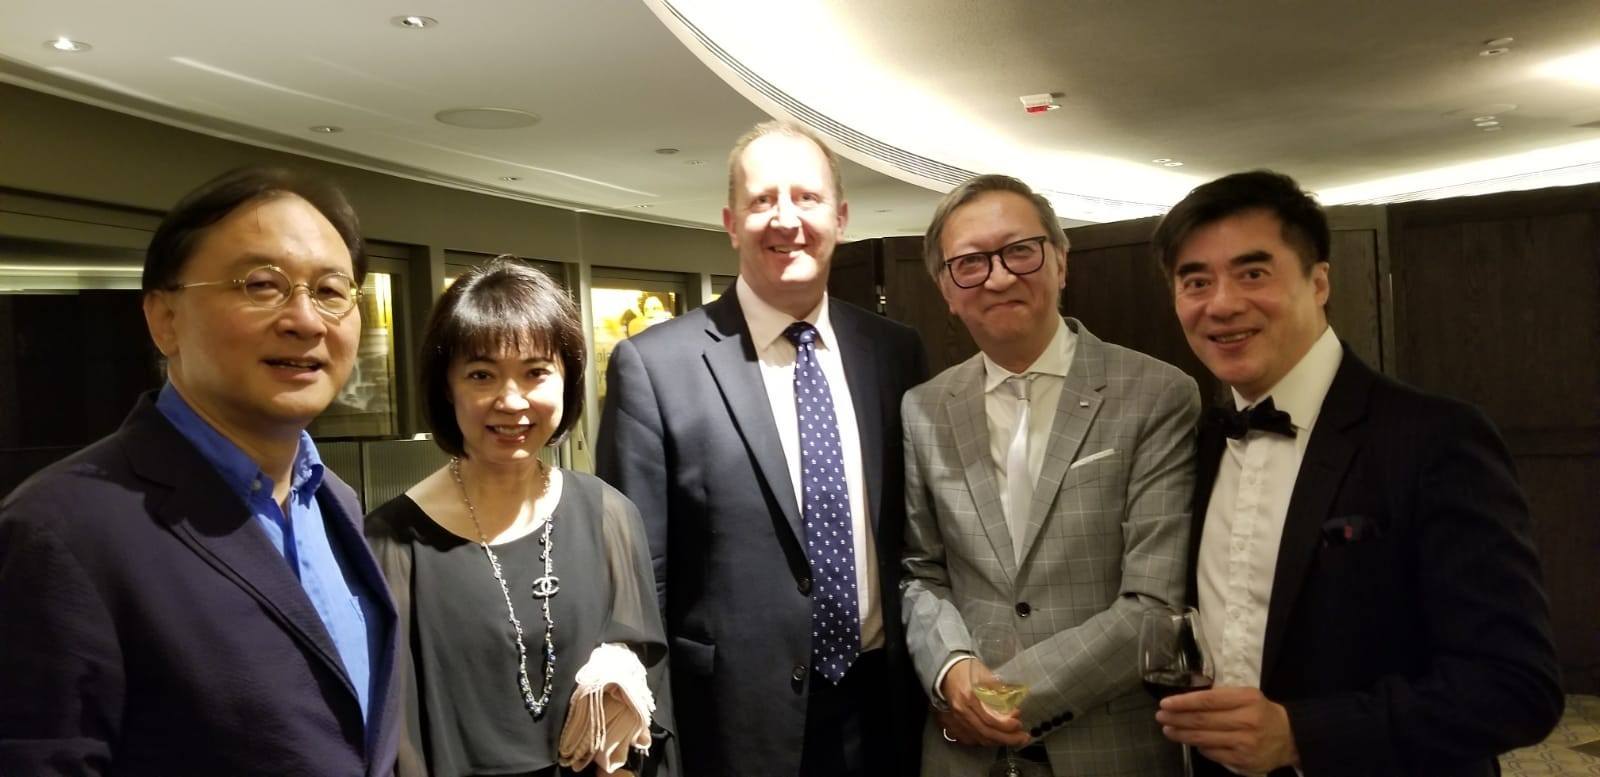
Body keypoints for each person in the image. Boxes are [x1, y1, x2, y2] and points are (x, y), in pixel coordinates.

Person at [1151, 170, 1563, 776]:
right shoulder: (1198, 443)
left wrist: (1301, 735)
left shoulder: (1434, 437)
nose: (1222, 303)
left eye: (1253, 273)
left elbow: (1515, 686)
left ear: (1319, 281)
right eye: (1195, 282)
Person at [0, 166, 400, 775]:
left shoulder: (334, 500)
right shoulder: (58, 532)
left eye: (330, 290)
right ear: (165, 319)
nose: (306, 320)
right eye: (262, 284)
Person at [596, 120, 929, 776]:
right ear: (730, 222)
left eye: (806, 197)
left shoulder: (895, 352)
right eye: (762, 200)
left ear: (840, 217)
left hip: (885, 710)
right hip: (731, 725)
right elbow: (636, 579)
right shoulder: (655, 367)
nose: (786, 219)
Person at [901, 174, 1199, 776]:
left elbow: (1153, 605)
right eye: (970, 263)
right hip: (962, 756)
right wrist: (950, 667)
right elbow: (921, 571)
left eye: (1020, 250)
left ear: (1061, 262)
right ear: (947, 289)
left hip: (1109, 747)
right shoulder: (924, 408)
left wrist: (996, 700)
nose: (999, 277)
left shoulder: (1157, 394)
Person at [365, 257, 674, 777]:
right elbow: (394, 732)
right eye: (481, 375)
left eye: (536, 372)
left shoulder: (608, 513)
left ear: (567, 380)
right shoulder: (393, 541)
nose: (511, 401)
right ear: (446, 387)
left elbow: (649, 680)